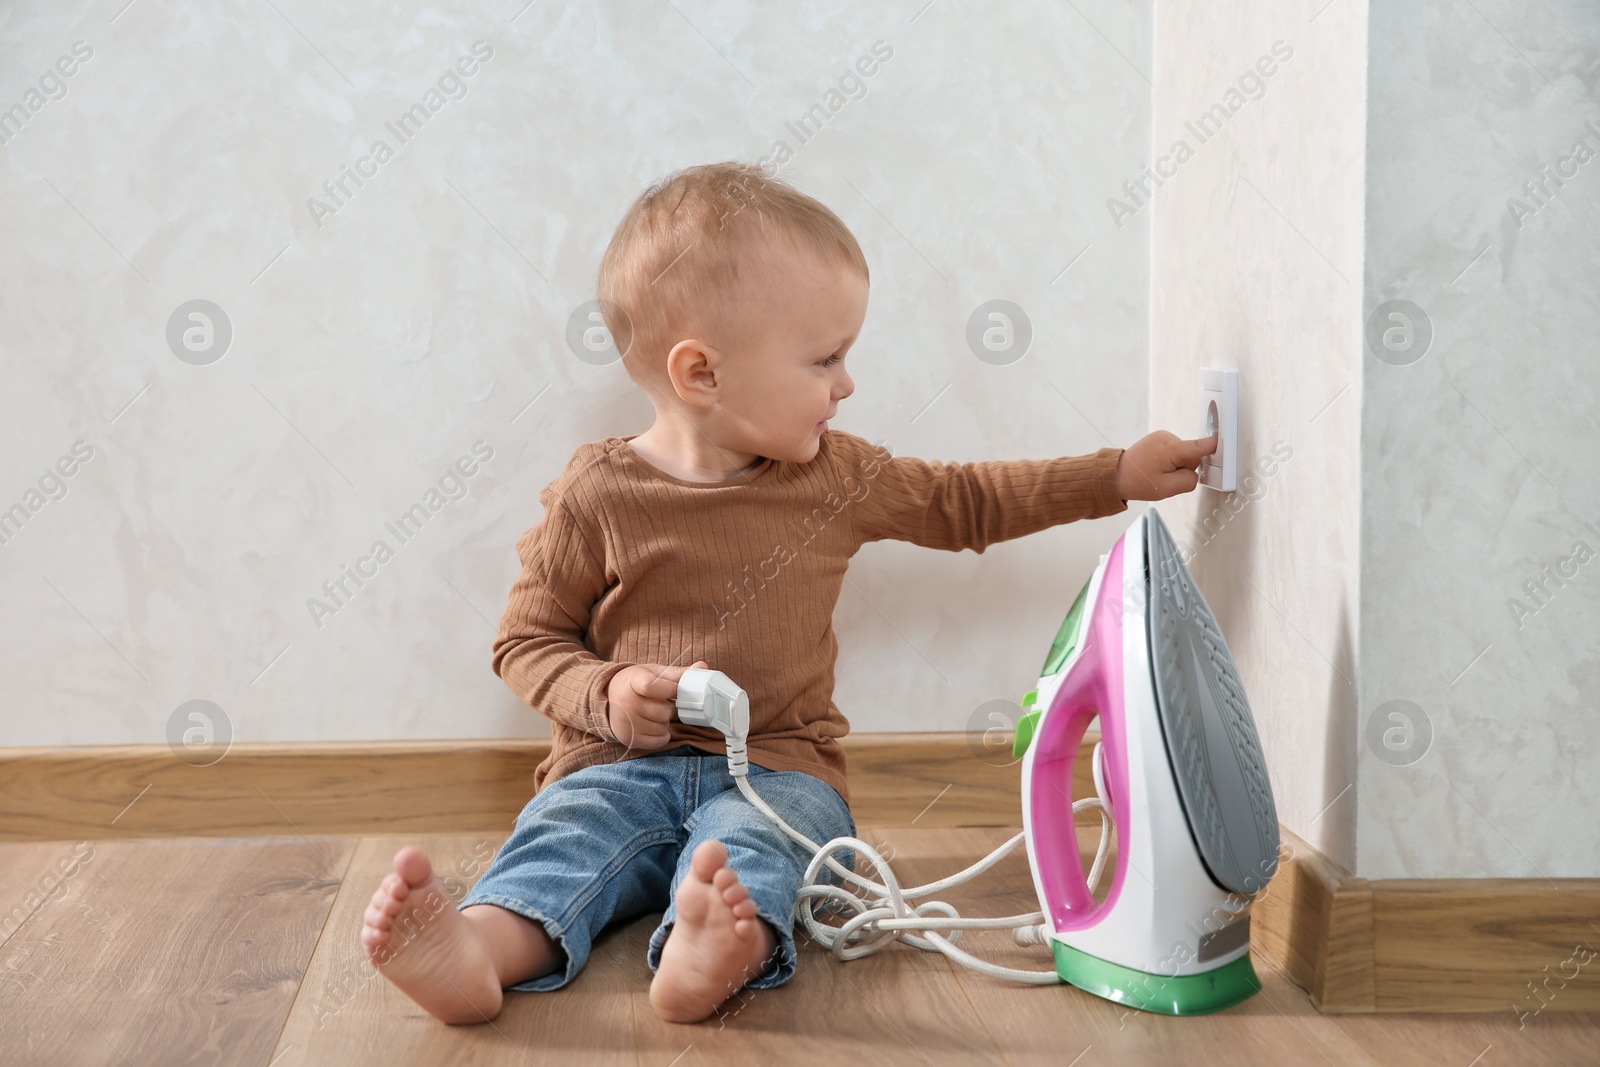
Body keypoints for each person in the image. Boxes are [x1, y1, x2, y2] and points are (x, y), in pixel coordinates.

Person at [359, 161, 1217, 1025]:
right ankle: (479, 948)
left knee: (759, 848)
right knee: (565, 837)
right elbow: (524, 642)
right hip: (614, 765)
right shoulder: (597, 495)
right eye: (825, 358)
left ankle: (716, 944)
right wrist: (605, 692)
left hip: (781, 766)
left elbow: (966, 500)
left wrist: (1114, 474)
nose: (846, 383)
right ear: (702, 373)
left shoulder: (837, 476)